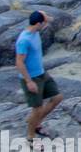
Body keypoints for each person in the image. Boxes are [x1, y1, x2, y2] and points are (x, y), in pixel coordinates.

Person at [17, 11, 62, 144]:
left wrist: (46, 17)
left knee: (57, 98)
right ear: (38, 24)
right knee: (37, 109)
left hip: (42, 73)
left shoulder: (35, 31)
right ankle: (31, 137)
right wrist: (29, 81)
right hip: (31, 78)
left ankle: (35, 122)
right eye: (44, 22)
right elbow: (19, 62)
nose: (46, 23)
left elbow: (44, 15)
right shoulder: (24, 40)